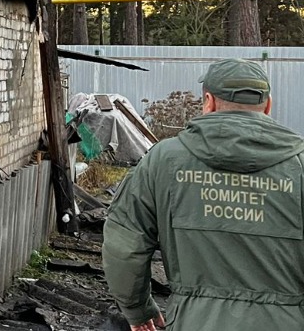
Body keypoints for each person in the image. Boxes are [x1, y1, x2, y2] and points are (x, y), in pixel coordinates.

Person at [102, 58, 304, 330]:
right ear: (267, 106)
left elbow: (124, 245)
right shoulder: (299, 164)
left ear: (208, 101)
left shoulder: (163, 160)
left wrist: (137, 309)